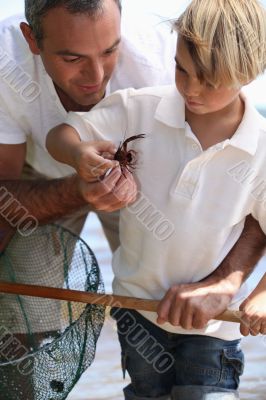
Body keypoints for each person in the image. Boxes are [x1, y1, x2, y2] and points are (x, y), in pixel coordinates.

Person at [46, 0, 266, 398]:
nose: (191, 89)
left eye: (210, 80)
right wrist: (78, 156)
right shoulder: (139, 108)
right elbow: (63, 133)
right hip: (136, 313)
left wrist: (261, 295)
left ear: (250, 71)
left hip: (213, 328)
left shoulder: (261, 150)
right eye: (182, 69)